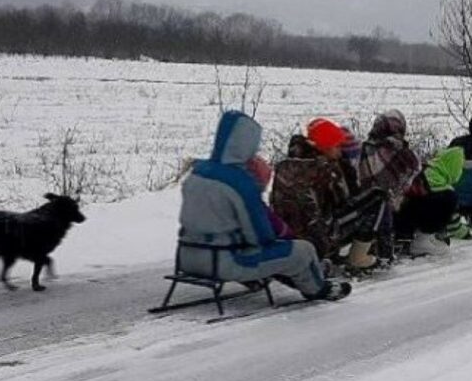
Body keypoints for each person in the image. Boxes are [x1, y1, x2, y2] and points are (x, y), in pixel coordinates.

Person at [177, 110, 350, 301]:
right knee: (302, 250)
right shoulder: (240, 182)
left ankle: (259, 277)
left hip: (187, 258)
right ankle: (318, 289)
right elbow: (260, 235)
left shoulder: (198, 172)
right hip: (223, 262)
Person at [270, 118, 388, 272]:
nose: (340, 152)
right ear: (325, 146)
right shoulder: (324, 169)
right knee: (377, 197)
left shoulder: (286, 166)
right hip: (319, 241)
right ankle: (359, 258)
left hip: (288, 239)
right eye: (337, 146)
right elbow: (342, 203)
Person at [355, 110, 422, 260]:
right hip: (391, 209)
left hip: (362, 208)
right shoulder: (402, 153)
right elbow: (413, 175)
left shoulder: (363, 149)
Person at [396, 146, 465, 256]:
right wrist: (466, 233)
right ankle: (423, 239)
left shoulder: (426, 169)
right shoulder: (439, 184)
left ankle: (404, 235)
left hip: (397, 213)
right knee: (448, 198)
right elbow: (454, 224)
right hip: (410, 213)